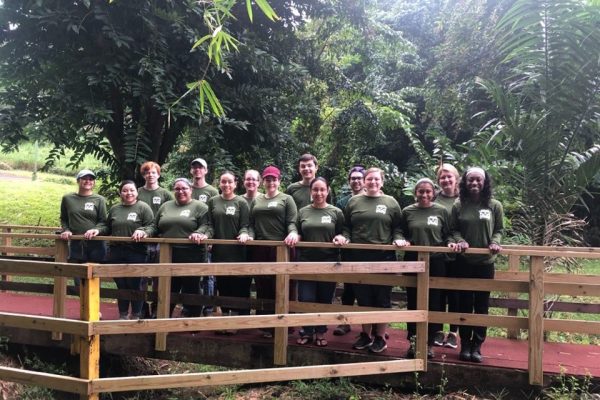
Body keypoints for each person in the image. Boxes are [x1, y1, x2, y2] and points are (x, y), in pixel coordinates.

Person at [333, 167, 403, 353]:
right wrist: (344, 237)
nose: (372, 182)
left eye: (376, 179)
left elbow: (398, 227)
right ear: (364, 181)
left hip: (384, 257)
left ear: (382, 181)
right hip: (359, 256)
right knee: (363, 298)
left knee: (382, 298)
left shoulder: (391, 202)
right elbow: (347, 226)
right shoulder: (354, 202)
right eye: (369, 179)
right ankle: (365, 335)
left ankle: (380, 337)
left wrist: (398, 238)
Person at [448, 167, 503, 363]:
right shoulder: (458, 205)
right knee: (464, 304)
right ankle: (465, 344)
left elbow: (499, 229)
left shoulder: (494, 205)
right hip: (464, 262)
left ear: (485, 182)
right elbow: (453, 229)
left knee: (481, 305)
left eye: (478, 180)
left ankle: (477, 345)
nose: (474, 183)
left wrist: (495, 242)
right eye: (470, 180)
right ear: (464, 182)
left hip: (485, 263)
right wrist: (460, 240)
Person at [396, 178, 450, 359]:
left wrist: (451, 243)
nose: (424, 195)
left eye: (428, 191)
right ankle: (413, 342)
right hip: (412, 260)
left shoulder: (441, 211)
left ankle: (428, 343)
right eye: (421, 191)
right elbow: (400, 231)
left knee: (434, 301)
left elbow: (448, 234)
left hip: (436, 261)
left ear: (433, 192)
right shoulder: (407, 211)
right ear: (415, 193)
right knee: (413, 300)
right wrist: (401, 240)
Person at [248, 165, 298, 337]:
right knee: (263, 286)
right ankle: (267, 325)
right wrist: (249, 236)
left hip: (281, 248)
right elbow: (252, 224)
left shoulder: (287, 199)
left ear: (279, 181)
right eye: (267, 179)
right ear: (263, 181)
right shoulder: (257, 200)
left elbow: (292, 221)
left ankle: (285, 325)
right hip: (260, 248)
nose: (270, 182)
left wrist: (292, 232)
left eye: (273, 179)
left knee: (283, 285)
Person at [95, 181, 155, 319]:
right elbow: (106, 227)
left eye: (132, 190)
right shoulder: (115, 209)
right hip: (116, 251)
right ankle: (123, 315)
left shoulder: (143, 208)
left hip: (137, 251)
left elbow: (152, 226)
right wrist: (97, 230)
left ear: (137, 192)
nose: (129, 193)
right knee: (121, 284)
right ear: (120, 193)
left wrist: (143, 231)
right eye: (125, 190)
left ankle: (136, 315)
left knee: (136, 284)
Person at [296, 177, 345, 347]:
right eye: (315, 190)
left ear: (328, 191)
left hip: (328, 261)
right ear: (311, 192)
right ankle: (307, 330)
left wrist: (341, 236)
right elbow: (295, 229)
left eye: (322, 190)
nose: (319, 193)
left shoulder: (336, 212)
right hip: (306, 261)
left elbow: (344, 231)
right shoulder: (303, 212)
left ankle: (321, 331)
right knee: (306, 298)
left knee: (324, 299)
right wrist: (295, 234)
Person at [153, 178, 210, 318]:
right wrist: (144, 231)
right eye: (177, 189)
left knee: (192, 288)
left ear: (191, 190)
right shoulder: (166, 206)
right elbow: (155, 226)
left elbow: (207, 225)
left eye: (184, 188)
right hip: (168, 254)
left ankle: (193, 319)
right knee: (168, 286)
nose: (180, 191)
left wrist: (199, 233)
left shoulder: (200, 207)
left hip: (192, 254)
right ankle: (162, 318)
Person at [206, 171, 251, 332]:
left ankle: (235, 322)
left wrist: (244, 233)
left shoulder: (241, 202)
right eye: (223, 182)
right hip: (219, 252)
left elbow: (246, 224)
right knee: (223, 285)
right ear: (219, 183)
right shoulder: (213, 202)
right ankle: (225, 319)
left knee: (238, 286)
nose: (226, 185)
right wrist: (207, 237)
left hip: (238, 251)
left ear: (235, 184)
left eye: (229, 182)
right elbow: (210, 225)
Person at [59, 169, 107, 289]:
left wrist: (96, 230)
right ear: (78, 180)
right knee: (78, 281)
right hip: (76, 243)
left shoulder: (99, 200)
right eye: (84, 178)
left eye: (91, 179)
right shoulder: (67, 198)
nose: (88, 181)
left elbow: (103, 222)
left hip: (96, 244)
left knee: (94, 280)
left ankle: (94, 308)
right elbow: (64, 219)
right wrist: (66, 230)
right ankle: (82, 307)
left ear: (94, 182)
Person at [137, 161, 174, 318]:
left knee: (159, 277)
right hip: (141, 240)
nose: (150, 175)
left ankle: (157, 309)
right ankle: (142, 308)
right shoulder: (137, 192)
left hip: (160, 240)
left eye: (153, 172)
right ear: (143, 175)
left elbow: (174, 209)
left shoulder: (165, 194)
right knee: (141, 277)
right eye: (147, 172)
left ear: (158, 174)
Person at [333, 165, 366, 336]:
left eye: (359, 178)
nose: (356, 181)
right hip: (349, 250)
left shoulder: (378, 199)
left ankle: (373, 327)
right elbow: (341, 226)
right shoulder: (342, 202)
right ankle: (344, 322)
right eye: (353, 178)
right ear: (349, 181)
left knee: (372, 290)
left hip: (370, 252)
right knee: (349, 288)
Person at [433, 163, 461, 349]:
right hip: (438, 254)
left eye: (449, 176)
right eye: (442, 177)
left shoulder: (465, 200)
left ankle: (453, 332)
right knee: (437, 293)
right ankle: (437, 329)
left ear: (456, 178)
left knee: (456, 294)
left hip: (460, 254)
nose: (446, 180)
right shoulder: (433, 198)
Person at [189, 157, 219, 315]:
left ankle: (207, 306)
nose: (197, 170)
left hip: (206, 238)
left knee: (208, 274)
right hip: (188, 239)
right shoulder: (186, 188)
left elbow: (214, 216)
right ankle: (191, 305)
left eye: (200, 167)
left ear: (206, 170)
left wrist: (211, 238)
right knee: (190, 274)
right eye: (194, 167)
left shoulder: (212, 191)